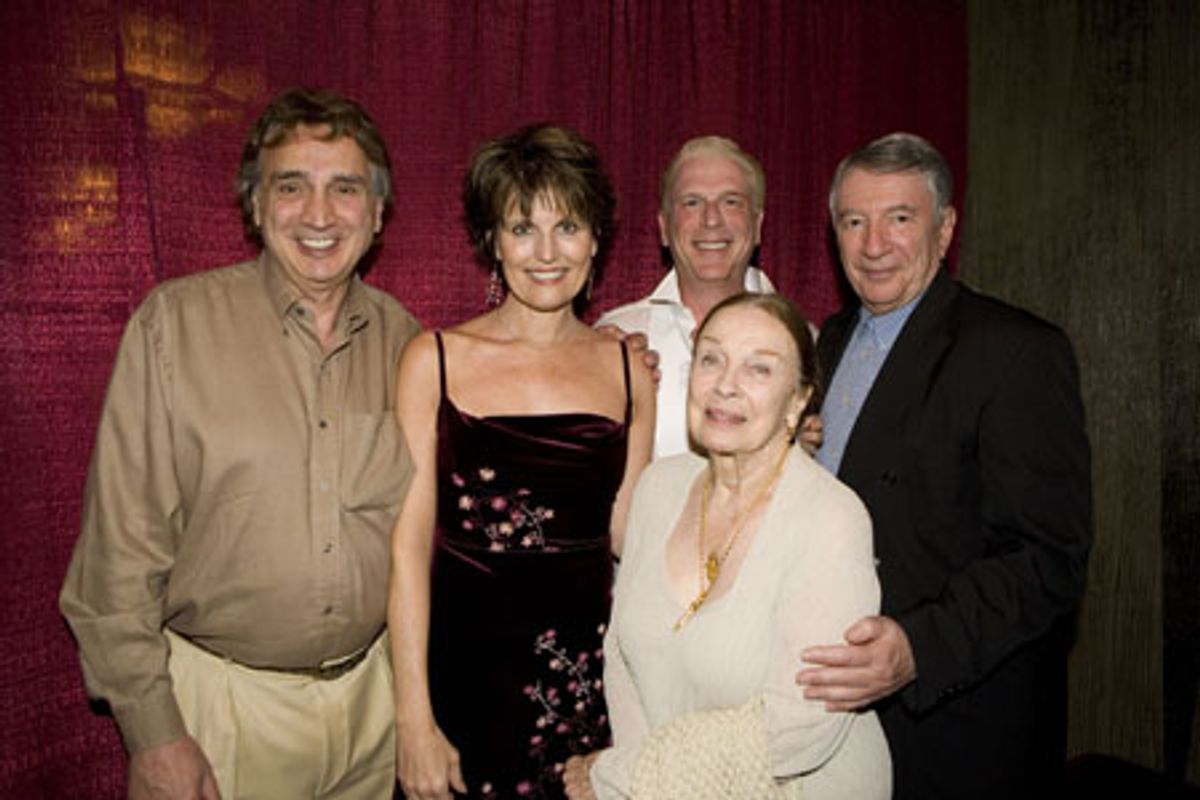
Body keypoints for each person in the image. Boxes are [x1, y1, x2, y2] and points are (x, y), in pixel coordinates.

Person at [58, 88, 420, 799]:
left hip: (374, 710)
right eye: (292, 187)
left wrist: (613, 359)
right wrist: (155, 732)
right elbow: (118, 556)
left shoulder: (406, 342)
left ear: (376, 214)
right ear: (255, 205)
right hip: (220, 711)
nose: (319, 215)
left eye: (344, 189)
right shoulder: (175, 326)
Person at [796, 132, 1092, 799]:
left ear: (946, 227)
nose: (873, 244)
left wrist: (917, 648)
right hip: (842, 719)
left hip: (957, 725)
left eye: (900, 218)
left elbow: (1048, 557)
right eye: (853, 220)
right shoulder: (830, 339)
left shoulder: (1016, 351)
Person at [388, 124, 655, 800]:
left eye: (567, 226)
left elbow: (635, 539)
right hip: (461, 685)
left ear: (596, 239)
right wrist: (413, 719)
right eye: (521, 227)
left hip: (586, 689)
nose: (545, 252)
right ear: (492, 242)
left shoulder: (629, 368)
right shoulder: (432, 360)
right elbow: (407, 549)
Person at [564, 292, 891, 800]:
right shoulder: (658, 488)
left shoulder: (832, 518)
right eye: (711, 358)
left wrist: (624, 777)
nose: (725, 385)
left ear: (800, 398)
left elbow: (797, 729)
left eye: (759, 369)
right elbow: (623, 656)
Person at [596, 136, 775, 458]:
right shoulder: (615, 339)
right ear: (664, 228)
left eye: (731, 201)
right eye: (692, 202)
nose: (711, 219)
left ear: (758, 224)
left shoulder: (808, 343)